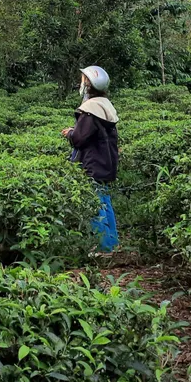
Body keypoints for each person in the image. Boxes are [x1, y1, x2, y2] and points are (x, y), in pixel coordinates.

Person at [60, 65, 119, 253]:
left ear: (88, 85)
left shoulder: (90, 109)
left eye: (83, 80)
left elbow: (79, 138)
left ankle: (104, 248)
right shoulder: (105, 105)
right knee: (105, 202)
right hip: (106, 162)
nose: (81, 83)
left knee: (95, 205)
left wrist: (70, 133)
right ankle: (112, 244)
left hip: (93, 164)